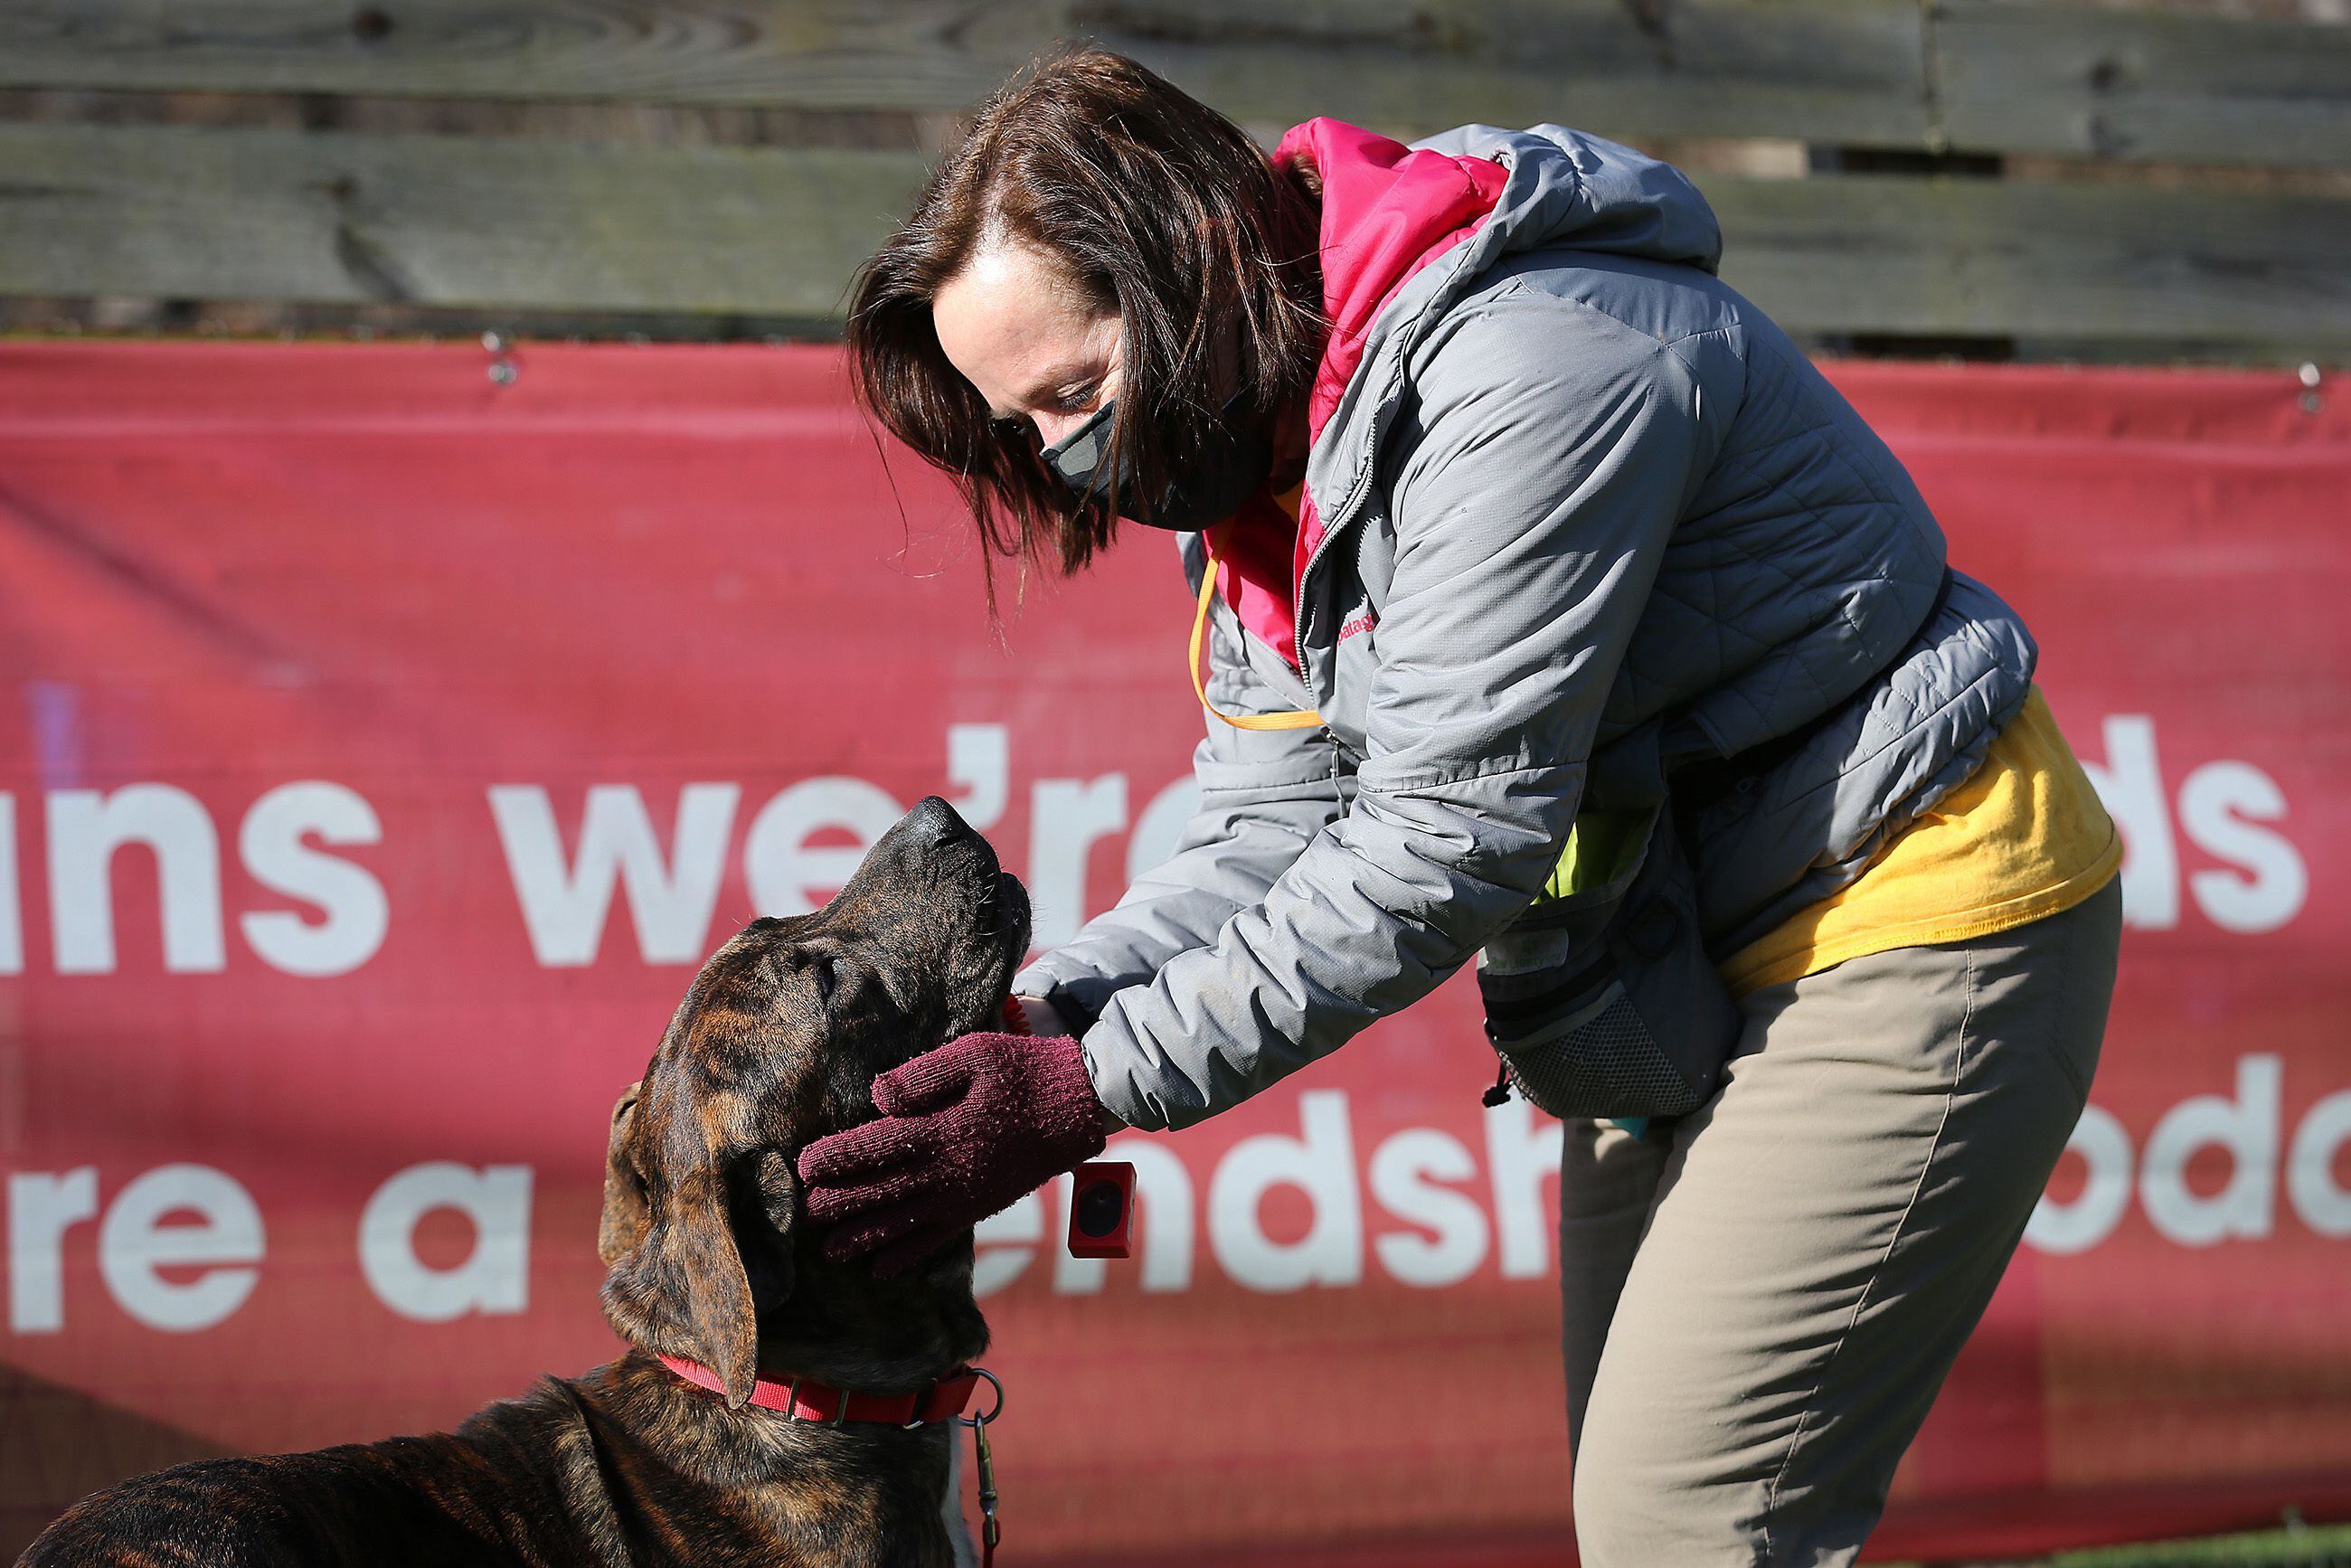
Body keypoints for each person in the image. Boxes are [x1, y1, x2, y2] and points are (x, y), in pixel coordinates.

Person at [798, 46, 2124, 1565]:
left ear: (1191, 268)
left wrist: (1092, 1086)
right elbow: (1265, 832)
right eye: (1024, 429)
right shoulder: (1264, 473)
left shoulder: (1530, 369)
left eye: (1077, 393)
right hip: (1675, 956)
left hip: (1918, 902)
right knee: (1649, 1517)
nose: (1069, 461)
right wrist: (1041, 1027)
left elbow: (1444, 839)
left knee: (1686, 1522)